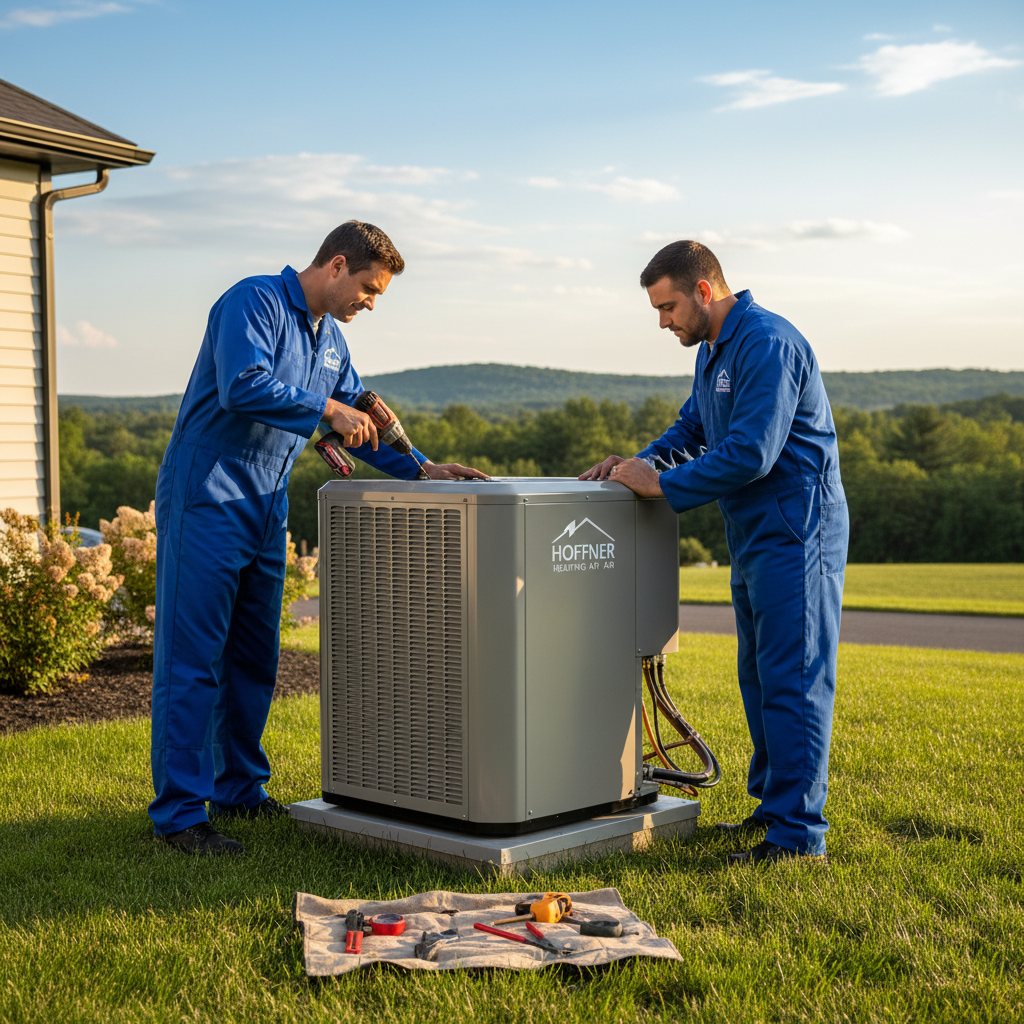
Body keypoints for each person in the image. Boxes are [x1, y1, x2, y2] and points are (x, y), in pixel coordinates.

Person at [151, 220, 487, 855]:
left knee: (254, 656)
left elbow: (362, 417)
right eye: (369, 288)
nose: (371, 302)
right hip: (208, 494)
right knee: (192, 659)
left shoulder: (330, 339)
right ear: (336, 266)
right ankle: (180, 815)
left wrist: (423, 469)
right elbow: (242, 385)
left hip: (266, 503)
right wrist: (328, 409)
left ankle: (239, 789)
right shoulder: (252, 301)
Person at [580, 240, 848, 864]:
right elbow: (693, 429)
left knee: (794, 680)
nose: (663, 321)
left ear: (704, 291)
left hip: (797, 532)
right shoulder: (713, 350)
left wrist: (662, 485)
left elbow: (752, 452)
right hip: (752, 534)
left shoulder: (768, 343)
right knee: (759, 677)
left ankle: (797, 837)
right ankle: (772, 812)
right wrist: (639, 463)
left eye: (668, 306)